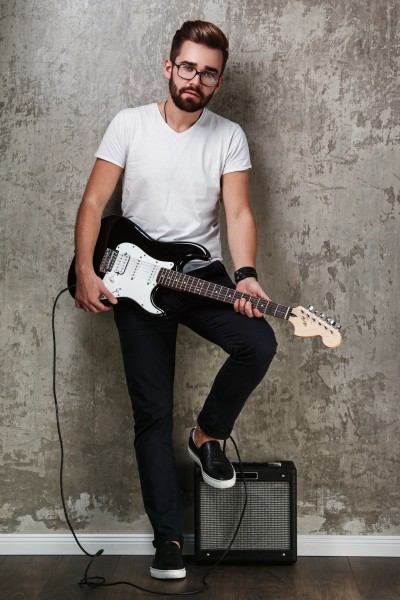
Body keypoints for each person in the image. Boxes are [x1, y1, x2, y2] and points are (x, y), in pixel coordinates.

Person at [73, 20, 277, 580]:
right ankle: (168, 540)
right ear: (169, 66)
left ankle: (207, 436)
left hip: (198, 274)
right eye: (187, 67)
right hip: (135, 282)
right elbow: (93, 203)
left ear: (218, 81)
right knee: (152, 414)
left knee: (258, 343)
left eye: (208, 73)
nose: (196, 80)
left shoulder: (229, 135)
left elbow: (238, 212)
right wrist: (87, 270)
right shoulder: (129, 124)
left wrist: (246, 274)